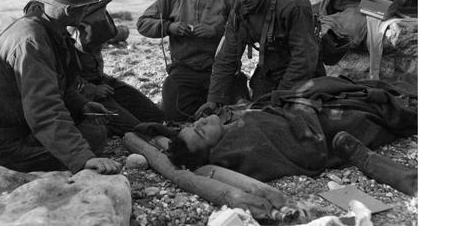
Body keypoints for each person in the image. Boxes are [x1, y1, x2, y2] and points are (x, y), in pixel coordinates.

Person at [0, 0, 121, 174]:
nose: (86, 11)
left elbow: (56, 86)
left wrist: (82, 105)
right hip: (3, 142)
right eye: (84, 8)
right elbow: (44, 110)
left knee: (93, 126)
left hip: (14, 124)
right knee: (94, 138)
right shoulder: (32, 42)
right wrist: (82, 158)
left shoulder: (47, 29)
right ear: (69, 10)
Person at [164, 76, 417, 195]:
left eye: (194, 123)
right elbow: (306, 146)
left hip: (303, 101)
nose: (201, 121)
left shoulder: (230, 128)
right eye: (200, 130)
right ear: (211, 150)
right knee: (373, 106)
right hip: (324, 124)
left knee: (352, 88)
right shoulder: (243, 143)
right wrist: (301, 106)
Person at [39, 0, 171, 135]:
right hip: (76, 90)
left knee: (155, 117)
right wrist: (87, 90)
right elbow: (52, 76)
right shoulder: (46, 10)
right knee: (135, 130)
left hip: (98, 79)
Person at [197, 0, 324, 115]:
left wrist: (280, 96)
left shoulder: (293, 7)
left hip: (303, 76)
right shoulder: (238, 12)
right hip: (269, 73)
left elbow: (304, 59)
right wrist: (213, 100)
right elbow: (226, 58)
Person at [136, 0, 241, 121]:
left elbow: (246, 26)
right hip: (185, 69)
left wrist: (217, 31)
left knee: (236, 113)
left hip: (221, 68)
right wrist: (169, 27)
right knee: (173, 117)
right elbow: (143, 23)